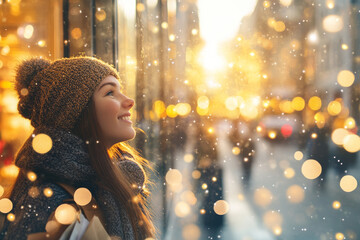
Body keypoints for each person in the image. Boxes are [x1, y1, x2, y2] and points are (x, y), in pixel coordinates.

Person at [0, 57, 156, 239]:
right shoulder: (50, 199)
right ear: (77, 112)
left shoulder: (98, 181)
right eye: (110, 93)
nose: (129, 101)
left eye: (120, 90)